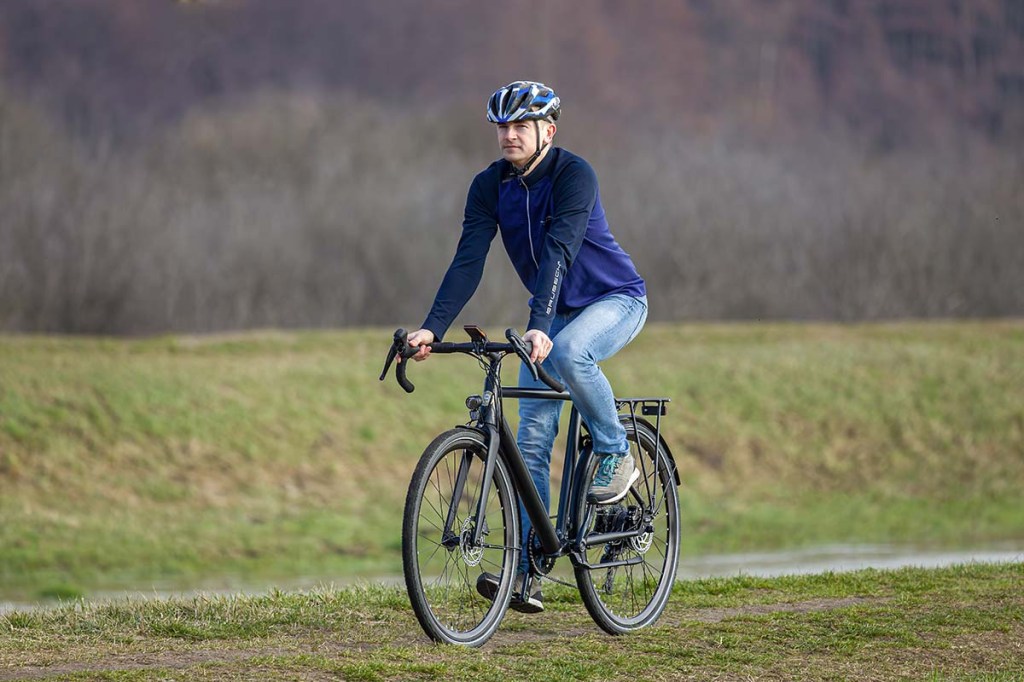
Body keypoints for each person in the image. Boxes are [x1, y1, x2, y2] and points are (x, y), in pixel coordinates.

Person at [402, 80, 648, 613]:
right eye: (502, 128)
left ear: (548, 131)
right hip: (552, 311)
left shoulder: (574, 175)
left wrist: (539, 323)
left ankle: (616, 452)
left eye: (520, 126)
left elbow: (559, 250)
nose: (509, 135)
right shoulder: (489, 187)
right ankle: (529, 570)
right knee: (531, 440)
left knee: (567, 353)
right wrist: (432, 327)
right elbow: (468, 261)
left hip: (614, 300)